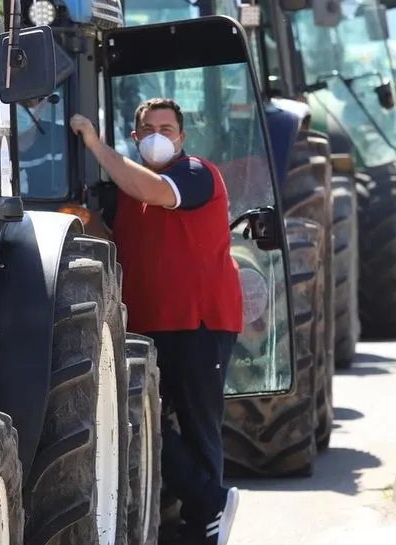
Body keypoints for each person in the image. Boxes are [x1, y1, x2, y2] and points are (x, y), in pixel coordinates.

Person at [70, 98, 244, 545]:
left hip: (199, 320)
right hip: (149, 325)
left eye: (166, 129)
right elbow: (116, 238)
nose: (157, 136)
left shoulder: (195, 174)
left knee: (198, 424)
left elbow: (151, 190)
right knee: (145, 424)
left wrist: (94, 142)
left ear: (181, 137)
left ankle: (204, 520)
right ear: (135, 136)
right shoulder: (128, 194)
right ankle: (202, 505)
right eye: (148, 128)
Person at [16, 93, 67, 198]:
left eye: (26, 103)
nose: (17, 108)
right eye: (12, 102)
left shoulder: (63, 139)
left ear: (42, 105)